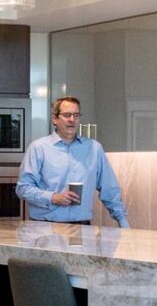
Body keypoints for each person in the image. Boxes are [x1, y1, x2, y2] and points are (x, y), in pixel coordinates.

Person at [16, 96, 130, 227]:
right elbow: (23, 188)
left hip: (81, 227)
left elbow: (109, 189)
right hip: (45, 228)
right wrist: (53, 197)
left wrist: (122, 219)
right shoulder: (39, 148)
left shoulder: (94, 148)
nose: (72, 120)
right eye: (67, 115)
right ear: (55, 119)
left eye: (76, 115)